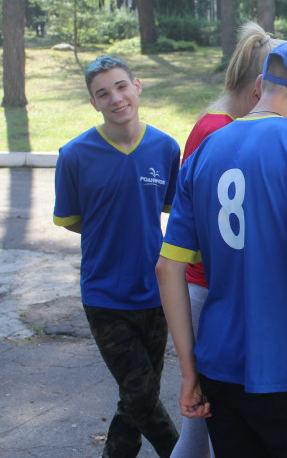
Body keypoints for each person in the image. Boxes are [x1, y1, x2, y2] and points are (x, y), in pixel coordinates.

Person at [155, 39, 287, 458]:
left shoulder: (206, 149)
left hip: (219, 366)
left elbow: (167, 268)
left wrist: (188, 371)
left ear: (262, 85)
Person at [53, 55, 180, 458]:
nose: (116, 98)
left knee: (139, 395)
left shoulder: (165, 148)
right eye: (103, 93)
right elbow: (72, 220)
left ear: (137, 86)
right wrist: (108, 233)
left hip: (155, 292)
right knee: (141, 394)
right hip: (104, 295)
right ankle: (181, 452)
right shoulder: (74, 155)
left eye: (121, 86)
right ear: (94, 102)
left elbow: (169, 211)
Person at [172, 21, 283, 458]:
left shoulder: (216, 123)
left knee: (205, 427)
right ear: (259, 92)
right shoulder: (218, 131)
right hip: (210, 288)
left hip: (211, 287)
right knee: (204, 428)